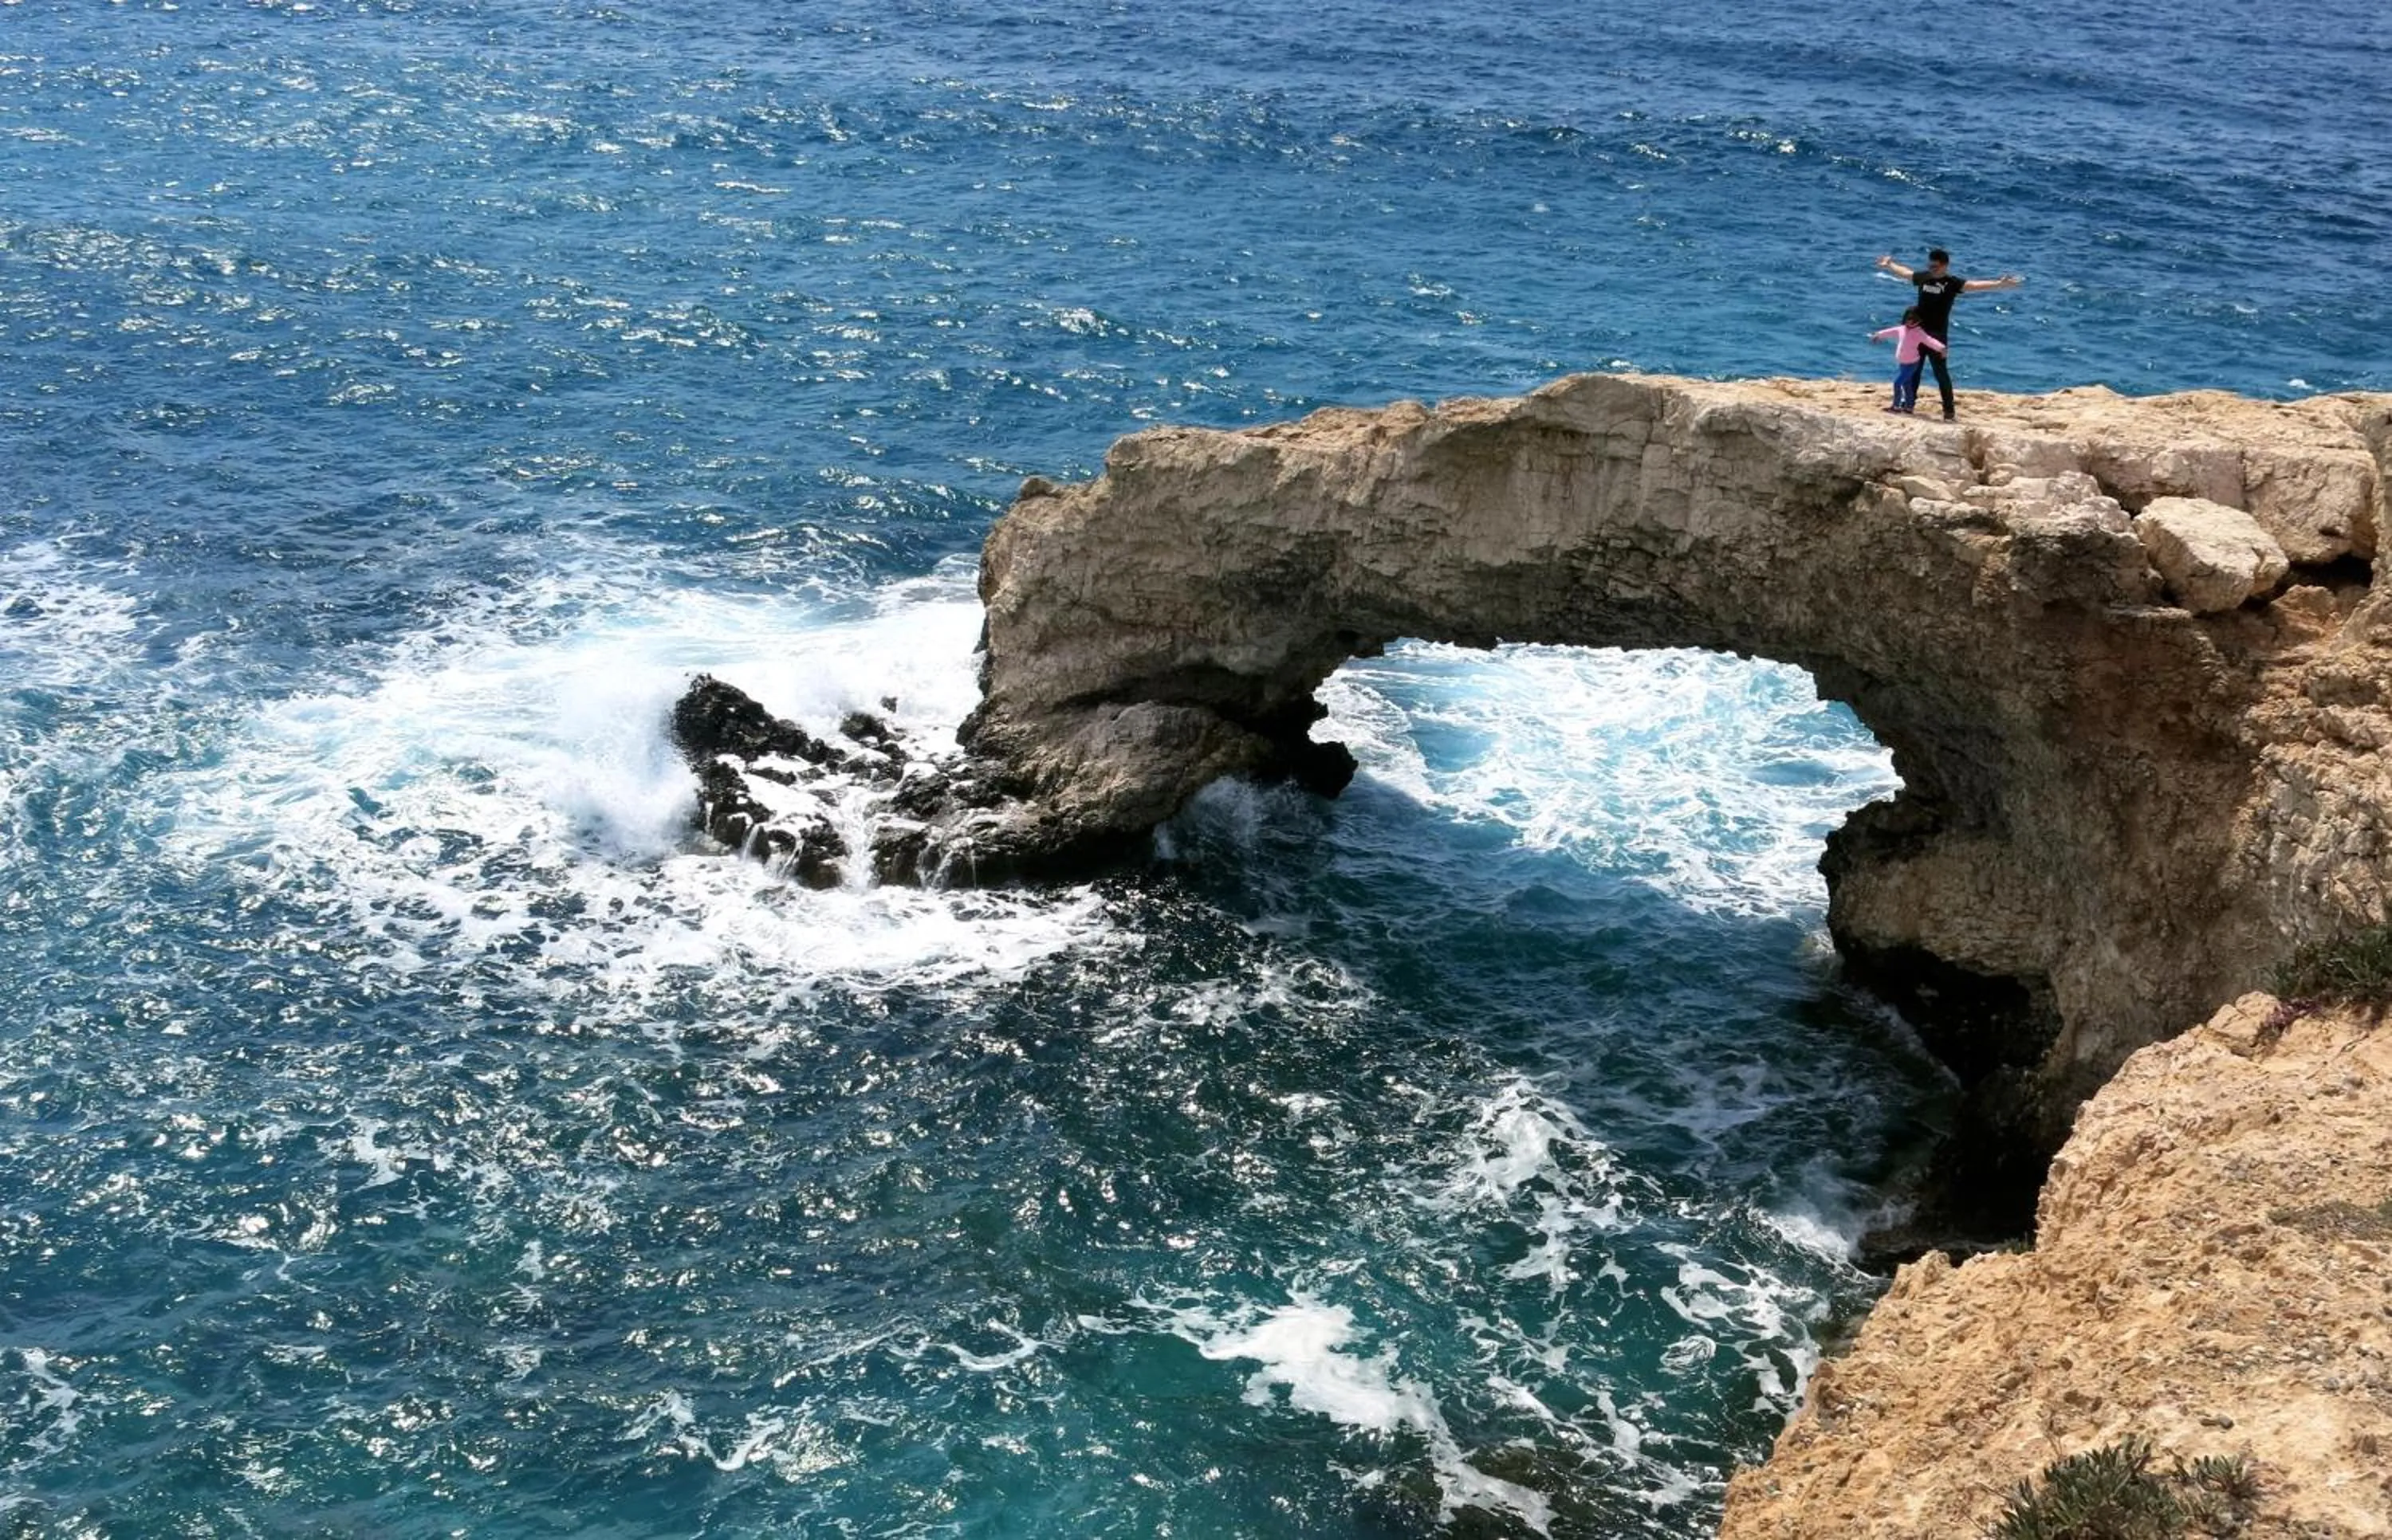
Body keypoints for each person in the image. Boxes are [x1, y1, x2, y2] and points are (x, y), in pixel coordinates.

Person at [1874, 249, 2022, 420]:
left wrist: (1999, 284)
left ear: (1945, 265)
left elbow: (1973, 286)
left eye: (1935, 266)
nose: (1932, 269)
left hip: (1937, 335)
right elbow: (1906, 273)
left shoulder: (1952, 283)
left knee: (1940, 373)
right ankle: (1909, 406)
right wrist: (1890, 264)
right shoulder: (1924, 277)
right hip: (1917, 333)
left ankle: (1949, 411)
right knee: (1914, 370)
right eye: (1929, 265)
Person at [1869, 307, 1946, 414]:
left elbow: (1930, 341)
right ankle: (1909, 407)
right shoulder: (1901, 329)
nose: (1909, 324)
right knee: (1907, 385)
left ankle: (1896, 407)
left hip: (1912, 364)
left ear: (1917, 321)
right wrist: (1878, 335)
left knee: (1897, 383)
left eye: (1911, 321)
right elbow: (1890, 332)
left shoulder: (1919, 333)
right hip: (1902, 363)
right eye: (1907, 321)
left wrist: (1941, 348)